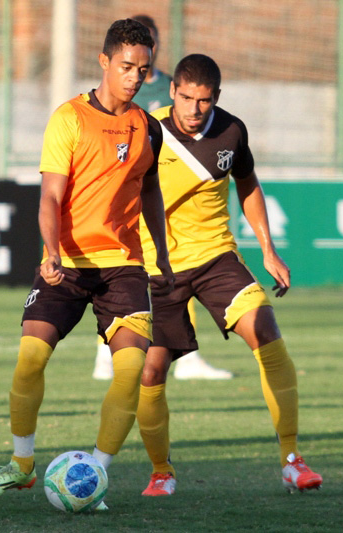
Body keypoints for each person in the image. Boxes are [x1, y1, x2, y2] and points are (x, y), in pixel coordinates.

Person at [0, 19, 174, 507]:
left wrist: (162, 256)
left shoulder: (149, 127)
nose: (134, 77)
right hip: (66, 263)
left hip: (123, 265)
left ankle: (94, 475)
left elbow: (150, 190)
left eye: (143, 69)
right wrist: (51, 252)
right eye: (126, 66)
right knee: (30, 358)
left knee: (130, 368)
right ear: (104, 62)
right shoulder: (70, 118)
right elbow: (50, 197)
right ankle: (22, 464)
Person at [135, 53, 322, 497]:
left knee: (267, 331)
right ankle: (161, 471)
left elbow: (247, 182)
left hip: (215, 256)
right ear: (172, 91)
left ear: (216, 97)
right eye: (185, 98)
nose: (193, 109)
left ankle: (292, 460)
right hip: (158, 266)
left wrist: (269, 250)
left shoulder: (231, 131)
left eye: (203, 100)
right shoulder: (147, 130)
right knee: (151, 371)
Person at [92, 14, 233, 382]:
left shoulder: (173, 86)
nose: (136, 74)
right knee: (125, 279)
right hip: (130, 195)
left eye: (149, 48)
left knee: (174, 272)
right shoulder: (119, 93)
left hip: (167, 196)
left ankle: (186, 358)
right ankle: (106, 354)